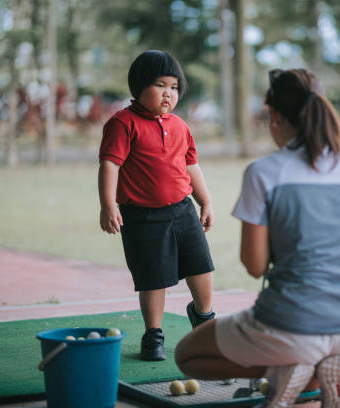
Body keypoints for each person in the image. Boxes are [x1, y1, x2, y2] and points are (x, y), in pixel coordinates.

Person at [175, 68, 340, 408]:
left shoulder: (263, 173)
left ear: (275, 116)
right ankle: (313, 363)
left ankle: (287, 366)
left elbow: (254, 266)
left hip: (290, 325)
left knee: (187, 355)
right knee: (315, 352)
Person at [98, 50, 216, 362]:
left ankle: (204, 319)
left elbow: (192, 165)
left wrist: (205, 201)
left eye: (175, 87)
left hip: (182, 210)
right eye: (160, 85)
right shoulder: (123, 124)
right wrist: (108, 204)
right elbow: (110, 165)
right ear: (138, 86)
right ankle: (154, 334)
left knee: (201, 266)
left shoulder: (179, 126)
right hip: (142, 216)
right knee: (153, 276)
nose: (169, 93)